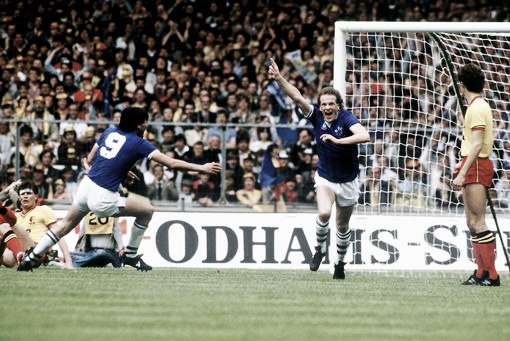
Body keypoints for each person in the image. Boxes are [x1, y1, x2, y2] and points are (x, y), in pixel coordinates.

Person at [18, 106, 221, 272]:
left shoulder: (109, 131)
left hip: (86, 187)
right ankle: (131, 254)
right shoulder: (139, 142)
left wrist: (121, 171)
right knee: (147, 210)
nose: (147, 124)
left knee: (64, 226)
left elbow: (88, 161)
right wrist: (201, 167)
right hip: (102, 195)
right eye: (146, 121)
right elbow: (172, 164)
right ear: (139, 124)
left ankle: (31, 258)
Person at [268, 58, 370, 280]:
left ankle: (340, 264)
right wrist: (279, 78)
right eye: (323, 104)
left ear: (338, 105)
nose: (326, 107)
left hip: (349, 180)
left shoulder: (346, 118)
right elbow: (295, 96)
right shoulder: (316, 117)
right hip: (326, 177)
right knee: (324, 213)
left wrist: (338, 140)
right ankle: (319, 249)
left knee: (342, 226)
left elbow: (364, 135)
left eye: (330, 104)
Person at [452, 63, 499, 286]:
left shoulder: (477, 107)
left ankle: (492, 274)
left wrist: (462, 172)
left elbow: (478, 144)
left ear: (462, 85)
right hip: (472, 163)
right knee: (471, 222)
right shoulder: (475, 106)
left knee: (478, 222)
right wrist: (461, 166)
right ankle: (481, 272)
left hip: (478, 165)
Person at [15, 180, 74, 269]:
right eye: (23, 194)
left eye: (29, 193)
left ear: (35, 197)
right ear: (19, 198)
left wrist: (68, 261)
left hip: (35, 251)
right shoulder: (15, 216)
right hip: (17, 251)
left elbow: (59, 234)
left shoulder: (43, 210)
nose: (25, 196)